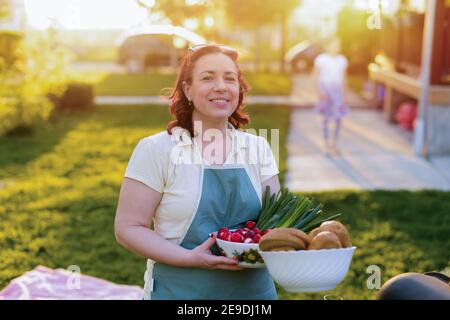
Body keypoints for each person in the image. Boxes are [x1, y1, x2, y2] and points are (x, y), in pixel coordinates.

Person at [114, 44, 281, 300]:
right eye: (207, 78)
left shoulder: (257, 147)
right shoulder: (158, 149)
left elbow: (275, 222)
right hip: (181, 293)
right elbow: (128, 227)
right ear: (187, 89)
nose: (221, 86)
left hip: (255, 294)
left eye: (230, 78)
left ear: (239, 89)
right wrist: (190, 258)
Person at [313, 37, 349, 156]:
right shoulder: (321, 59)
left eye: (338, 45)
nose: (336, 47)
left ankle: (334, 144)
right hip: (325, 91)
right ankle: (326, 145)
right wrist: (319, 92)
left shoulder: (342, 60)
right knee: (325, 119)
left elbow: (344, 78)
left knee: (338, 119)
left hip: (337, 92)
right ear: (327, 46)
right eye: (334, 45)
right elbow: (316, 76)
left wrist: (345, 95)